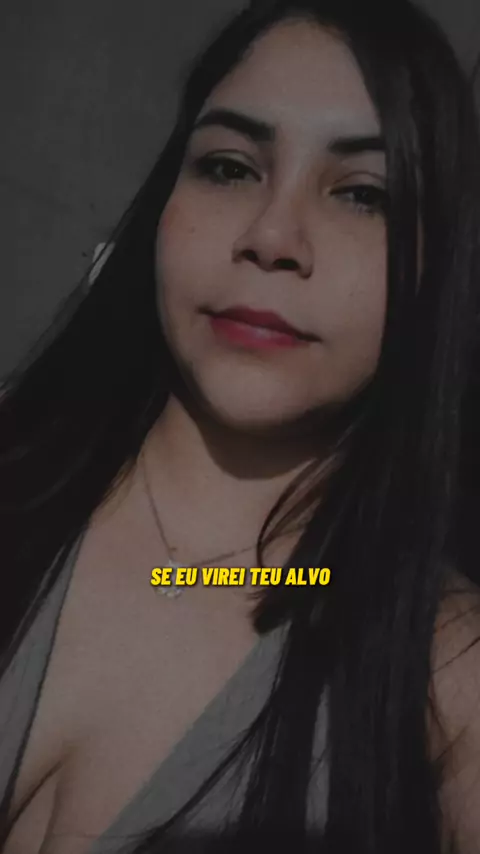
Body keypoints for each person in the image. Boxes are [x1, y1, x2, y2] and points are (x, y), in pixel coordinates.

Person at [1, 0, 480, 852]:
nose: (272, 235)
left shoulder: (451, 683)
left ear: (436, 263)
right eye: (229, 168)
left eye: (362, 193)